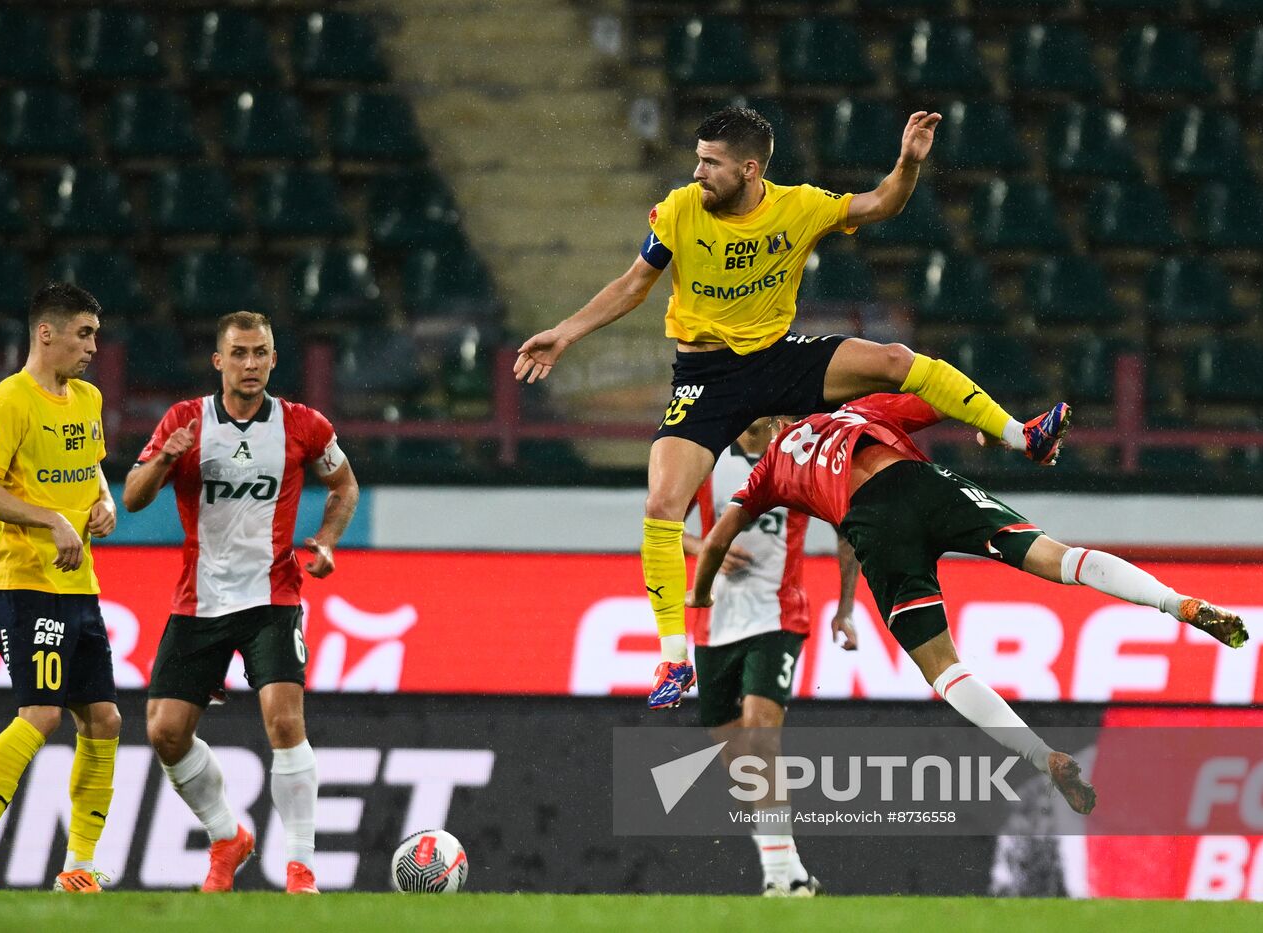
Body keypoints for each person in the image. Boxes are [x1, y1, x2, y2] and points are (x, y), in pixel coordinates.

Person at [515, 106, 1070, 710]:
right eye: (697, 159)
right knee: (661, 503)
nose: (697, 172)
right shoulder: (678, 211)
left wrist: (908, 163)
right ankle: (674, 659)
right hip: (706, 374)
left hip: (776, 358)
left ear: (750, 169)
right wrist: (565, 334)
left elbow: (882, 204)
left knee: (891, 360)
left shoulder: (798, 206)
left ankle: (1023, 436)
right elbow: (632, 285)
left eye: (711, 163)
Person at [687, 393, 1249, 814]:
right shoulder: (858, 411)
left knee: (945, 667)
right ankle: (1176, 604)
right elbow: (947, 395)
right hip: (922, 484)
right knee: (1060, 558)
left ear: (777, 425)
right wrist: (996, 431)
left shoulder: (768, 468)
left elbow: (715, 539)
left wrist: (702, 590)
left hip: (876, 528)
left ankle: (1039, 756)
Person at [123, 311, 359, 895]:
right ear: (218, 361)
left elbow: (344, 485)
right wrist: (161, 458)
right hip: (198, 601)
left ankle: (301, 868)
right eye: (240, 353)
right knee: (164, 733)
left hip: (273, 596)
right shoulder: (184, 421)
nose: (251, 364)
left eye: (261, 354)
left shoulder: (304, 425)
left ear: (274, 360)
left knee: (284, 720)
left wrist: (326, 541)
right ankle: (227, 835)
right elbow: (131, 499)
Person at [0, 283, 121, 894]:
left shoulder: (87, 399)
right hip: (23, 584)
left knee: (103, 719)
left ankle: (79, 866)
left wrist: (104, 499)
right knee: (42, 712)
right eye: (84, 333)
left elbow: (92, 464)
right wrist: (52, 518)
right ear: (46, 333)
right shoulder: (6, 402)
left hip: (79, 585)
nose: (94, 346)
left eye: (94, 334)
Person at [683, 416, 861, 896]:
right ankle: (793, 868)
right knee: (735, 753)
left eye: (756, 422)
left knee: (761, 737)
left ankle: (779, 881)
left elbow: (849, 529)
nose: (745, 429)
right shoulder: (704, 452)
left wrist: (845, 609)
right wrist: (706, 547)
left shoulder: (802, 454)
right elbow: (662, 525)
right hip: (712, 618)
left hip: (777, 615)